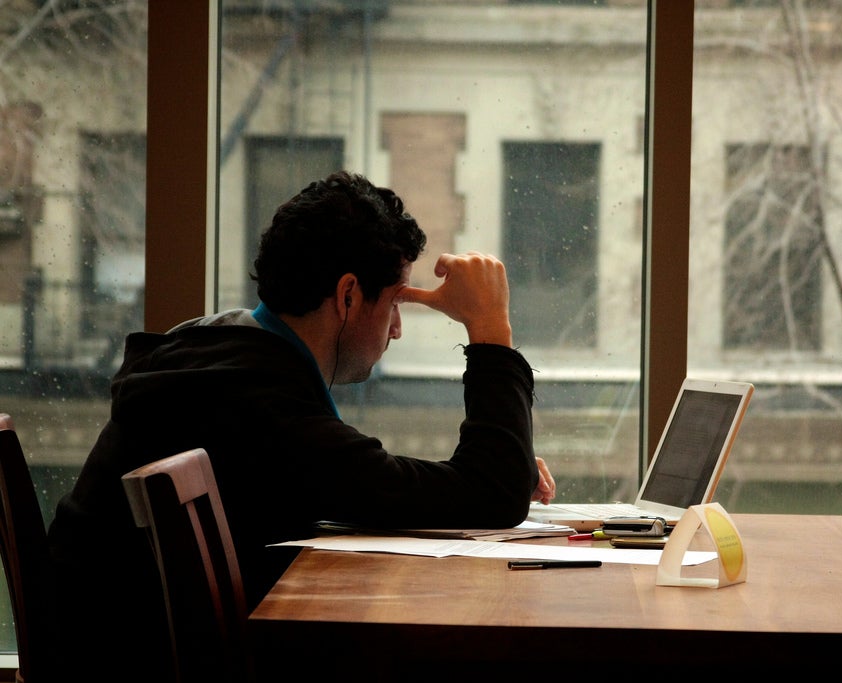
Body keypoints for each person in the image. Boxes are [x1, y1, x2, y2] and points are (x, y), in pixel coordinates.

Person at [46, 170, 556, 682]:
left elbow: (368, 477)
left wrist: (499, 467)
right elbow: (490, 494)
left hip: (100, 659)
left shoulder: (223, 352)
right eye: (396, 303)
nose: (397, 329)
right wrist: (490, 329)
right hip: (131, 679)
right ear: (348, 295)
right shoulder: (259, 404)